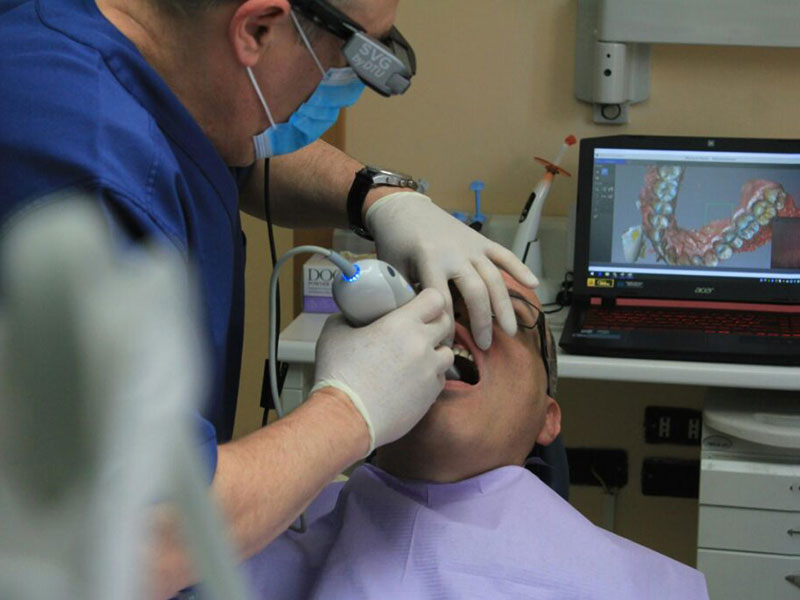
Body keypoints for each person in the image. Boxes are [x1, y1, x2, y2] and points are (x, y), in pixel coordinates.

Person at [0, 0, 539, 596]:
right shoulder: (82, 170)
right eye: (349, 59)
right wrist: (348, 411)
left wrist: (379, 197)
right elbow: (141, 538)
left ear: (550, 419)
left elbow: (228, 140)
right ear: (256, 28)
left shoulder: (133, 52)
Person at [242, 271, 710, 599]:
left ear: (548, 418)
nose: (457, 322)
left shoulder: (647, 588)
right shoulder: (244, 530)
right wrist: (338, 412)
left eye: (505, 313)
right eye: (431, 304)